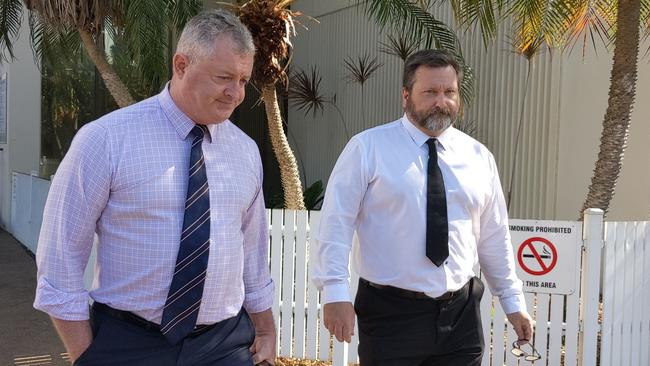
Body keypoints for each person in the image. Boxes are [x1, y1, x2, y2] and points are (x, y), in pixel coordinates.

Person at [34, 10, 276, 366]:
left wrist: (267, 331)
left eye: (243, 79)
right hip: (128, 343)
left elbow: (253, 255)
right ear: (181, 65)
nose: (236, 93)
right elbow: (60, 256)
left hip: (223, 345)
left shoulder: (246, 151)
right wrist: (87, 355)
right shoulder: (106, 140)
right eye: (224, 77)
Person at [311, 49, 534, 365]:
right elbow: (336, 224)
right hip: (390, 315)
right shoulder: (368, 149)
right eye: (430, 92)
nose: (441, 102)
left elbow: (493, 237)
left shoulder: (478, 157)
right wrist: (335, 293)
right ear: (406, 95)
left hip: (462, 316)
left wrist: (513, 301)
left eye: (449, 92)